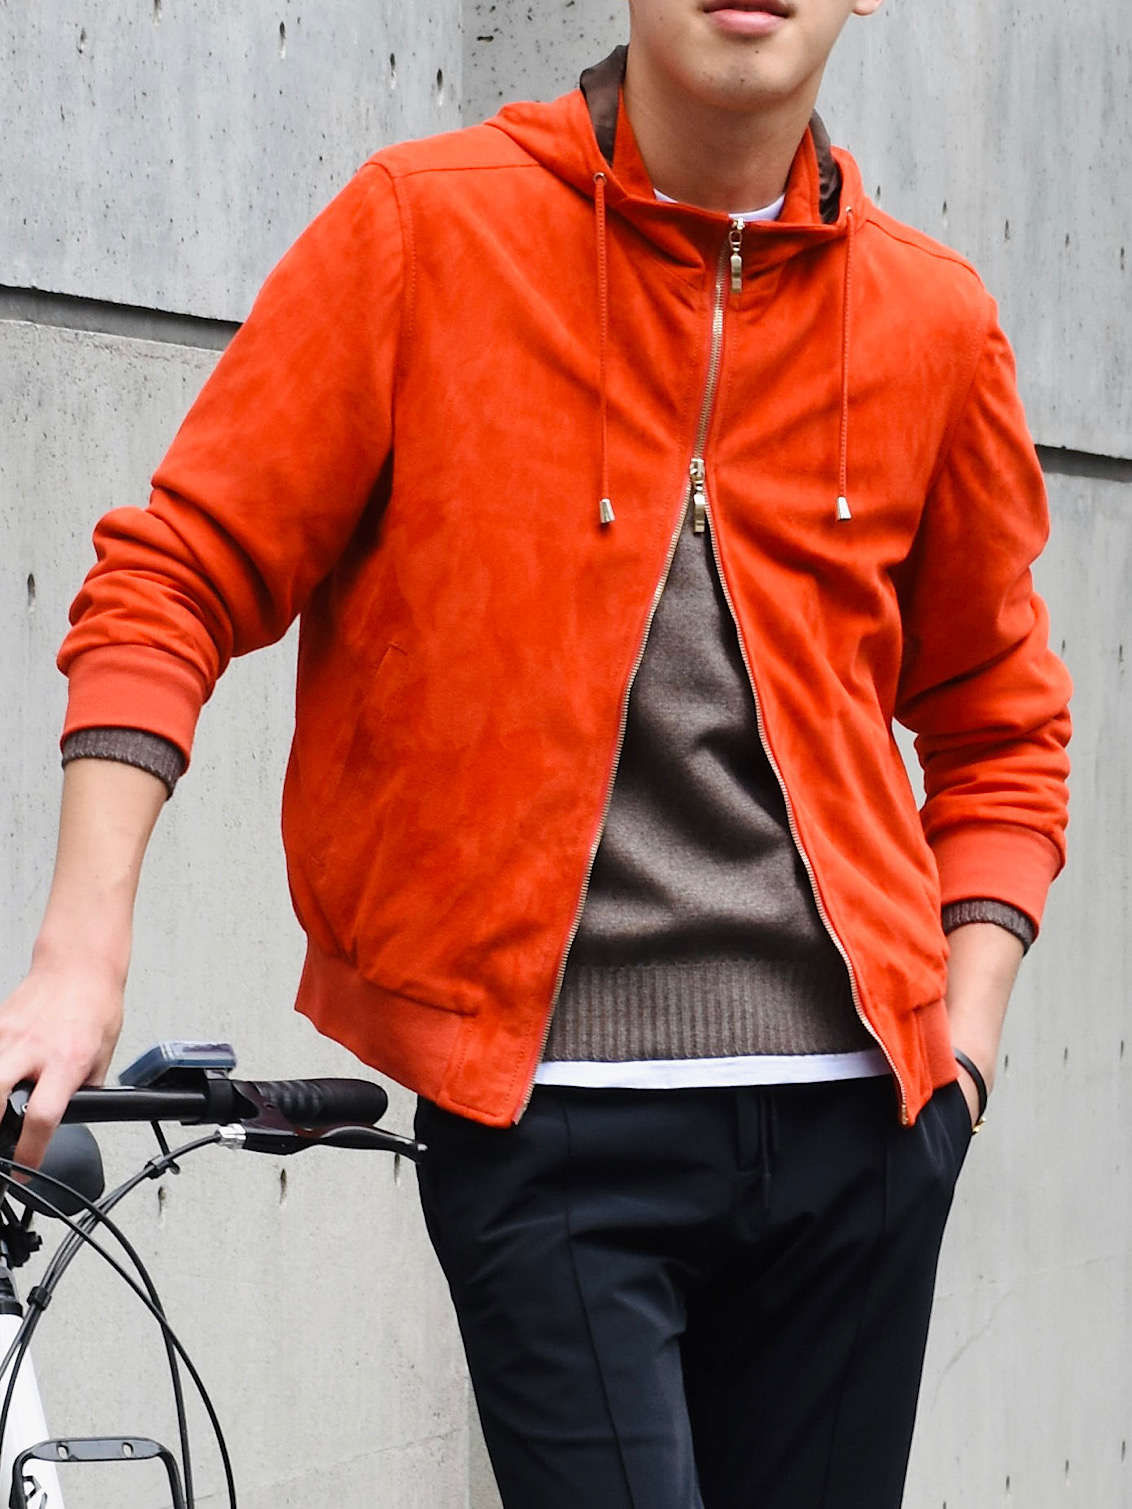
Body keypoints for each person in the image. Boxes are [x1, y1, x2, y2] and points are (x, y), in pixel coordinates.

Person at [0, 1, 1071, 1504]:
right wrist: (79, 955)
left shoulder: (932, 319)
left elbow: (1002, 718)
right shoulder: (425, 232)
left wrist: (962, 1051)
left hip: (862, 1134)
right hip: (560, 1129)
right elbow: (172, 577)